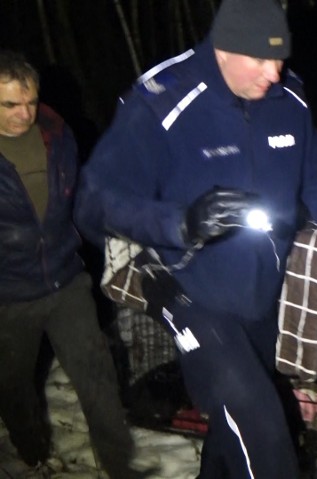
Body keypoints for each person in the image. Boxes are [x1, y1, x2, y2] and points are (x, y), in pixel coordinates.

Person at [74, 0, 317, 477]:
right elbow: (93, 202)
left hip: (260, 293)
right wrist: (180, 222)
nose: (274, 72)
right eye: (260, 59)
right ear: (224, 48)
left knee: (235, 430)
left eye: (280, 58)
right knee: (266, 435)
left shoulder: (288, 99)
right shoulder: (163, 99)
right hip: (188, 288)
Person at [0, 50, 147, 478]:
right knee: (13, 387)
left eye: (29, 101)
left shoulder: (59, 134)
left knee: (97, 376)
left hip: (67, 283)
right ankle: (31, 451)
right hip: (9, 296)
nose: (23, 113)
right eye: (10, 104)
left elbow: (83, 199)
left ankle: (120, 466)